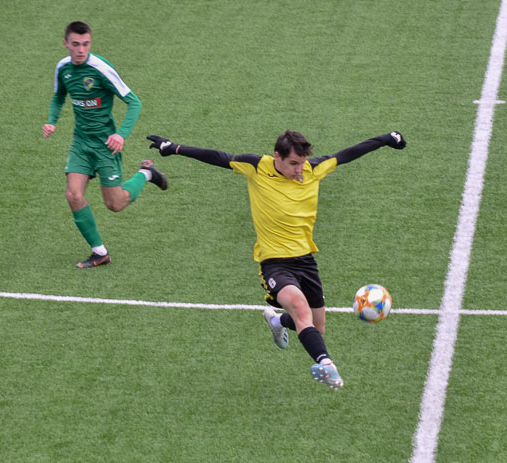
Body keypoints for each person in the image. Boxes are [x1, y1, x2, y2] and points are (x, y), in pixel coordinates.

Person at [147, 130, 407, 389]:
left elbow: (348, 154)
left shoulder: (313, 170)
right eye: (293, 163)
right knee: (300, 308)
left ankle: (278, 321)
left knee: (316, 327)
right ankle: (326, 364)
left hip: (306, 261)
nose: (299, 170)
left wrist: (385, 139)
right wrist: (173, 148)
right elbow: (218, 157)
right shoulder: (257, 167)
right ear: (277, 157)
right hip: (275, 263)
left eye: (302, 163)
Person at [42, 21, 168, 268]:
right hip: (81, 142)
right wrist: (52, 121)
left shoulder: (101, 69)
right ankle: (100, 252)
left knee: (115, 204)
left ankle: (146, 173)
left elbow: (134, 103)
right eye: (76, 44)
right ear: (66, 43)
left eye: (86, 44)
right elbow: (58, 97)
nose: (81, 50)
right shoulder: (63, 68)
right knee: (73, 194)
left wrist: (120, 134)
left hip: (105, 145)